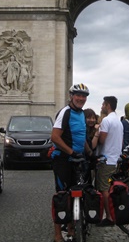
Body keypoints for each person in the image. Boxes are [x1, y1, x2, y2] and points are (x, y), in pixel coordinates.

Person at [50, 83, 94, 242]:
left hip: (78, 160)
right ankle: (57, 234)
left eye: (84, 96)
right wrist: (71, 152)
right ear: (71, 96)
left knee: (78, 192)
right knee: (61, 196)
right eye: (78, 95)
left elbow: (81, 138)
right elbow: (54, 137)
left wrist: (90, 153)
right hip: (63, 159)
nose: (81, 98)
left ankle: (71, 229)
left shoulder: (82, 114)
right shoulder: (65, 113)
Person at [93, 96, 124, 227]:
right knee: (110, 187)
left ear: (108, 105)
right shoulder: (119, 121)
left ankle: (109, 217)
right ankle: (114, 213)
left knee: (104, 189)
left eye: (103, 104)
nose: (101, 107)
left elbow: (101, 141)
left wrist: (97, 131)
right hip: (116, 159)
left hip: (106, 160)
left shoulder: (106, 120)